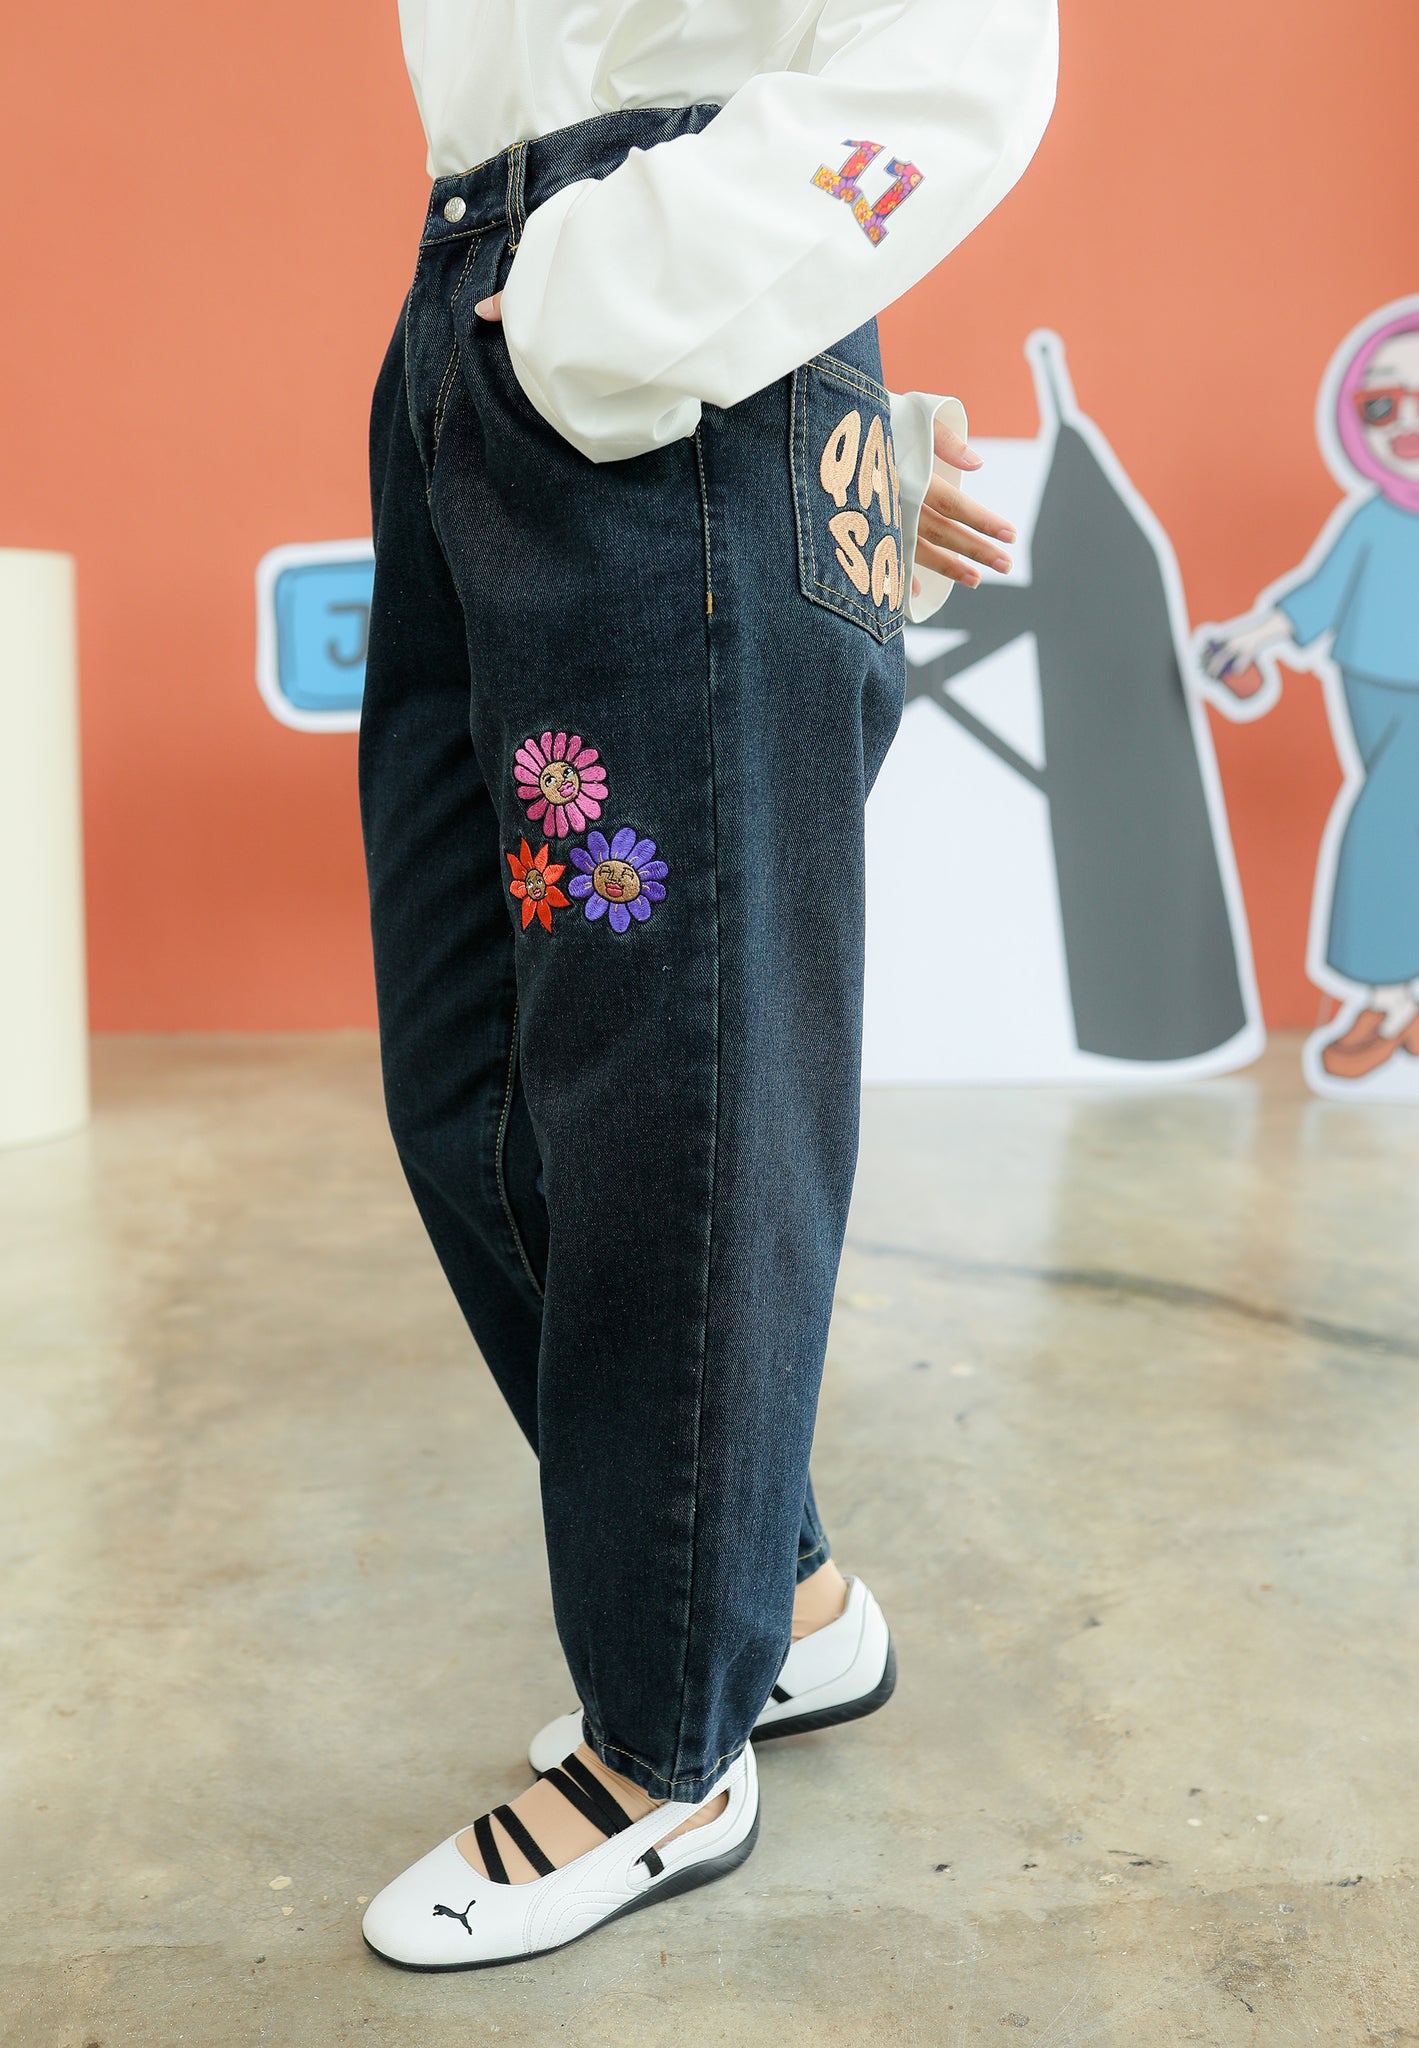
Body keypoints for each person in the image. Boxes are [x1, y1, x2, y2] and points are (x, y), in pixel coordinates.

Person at [357, 0, 1058, 1970]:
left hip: (635, 331)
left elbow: (956, 51)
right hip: (483, 327)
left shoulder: (624, 292)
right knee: (472, 1087)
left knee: (676, 1094)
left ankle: (669, 1744)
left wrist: (654, 312)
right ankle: (786, 1601)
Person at [1205, 303, 1419, 1083]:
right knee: (1394, 827)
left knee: (1383, 829)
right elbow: (1315, 599)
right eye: (1381, 404)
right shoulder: (1370, 522)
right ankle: (1392, 998)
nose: (1404, 422)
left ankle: (1387, 1001)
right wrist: (1248, 639)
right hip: (1372, 686)